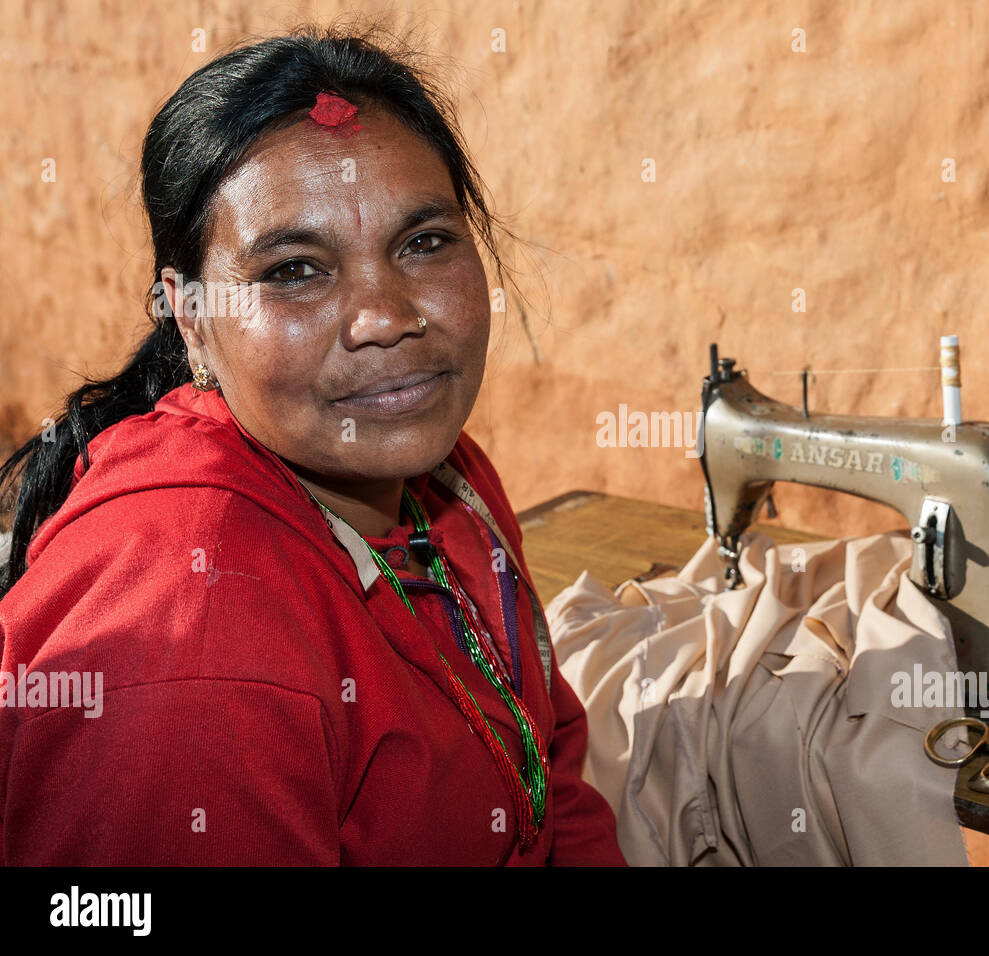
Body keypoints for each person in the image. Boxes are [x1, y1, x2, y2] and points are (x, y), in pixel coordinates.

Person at [0, 25, 626, 866]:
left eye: (424, 243)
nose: (387, 317)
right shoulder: (194, 648)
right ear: (190, 317)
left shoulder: (447, 485)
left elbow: (552, 783)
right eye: (295, 269)